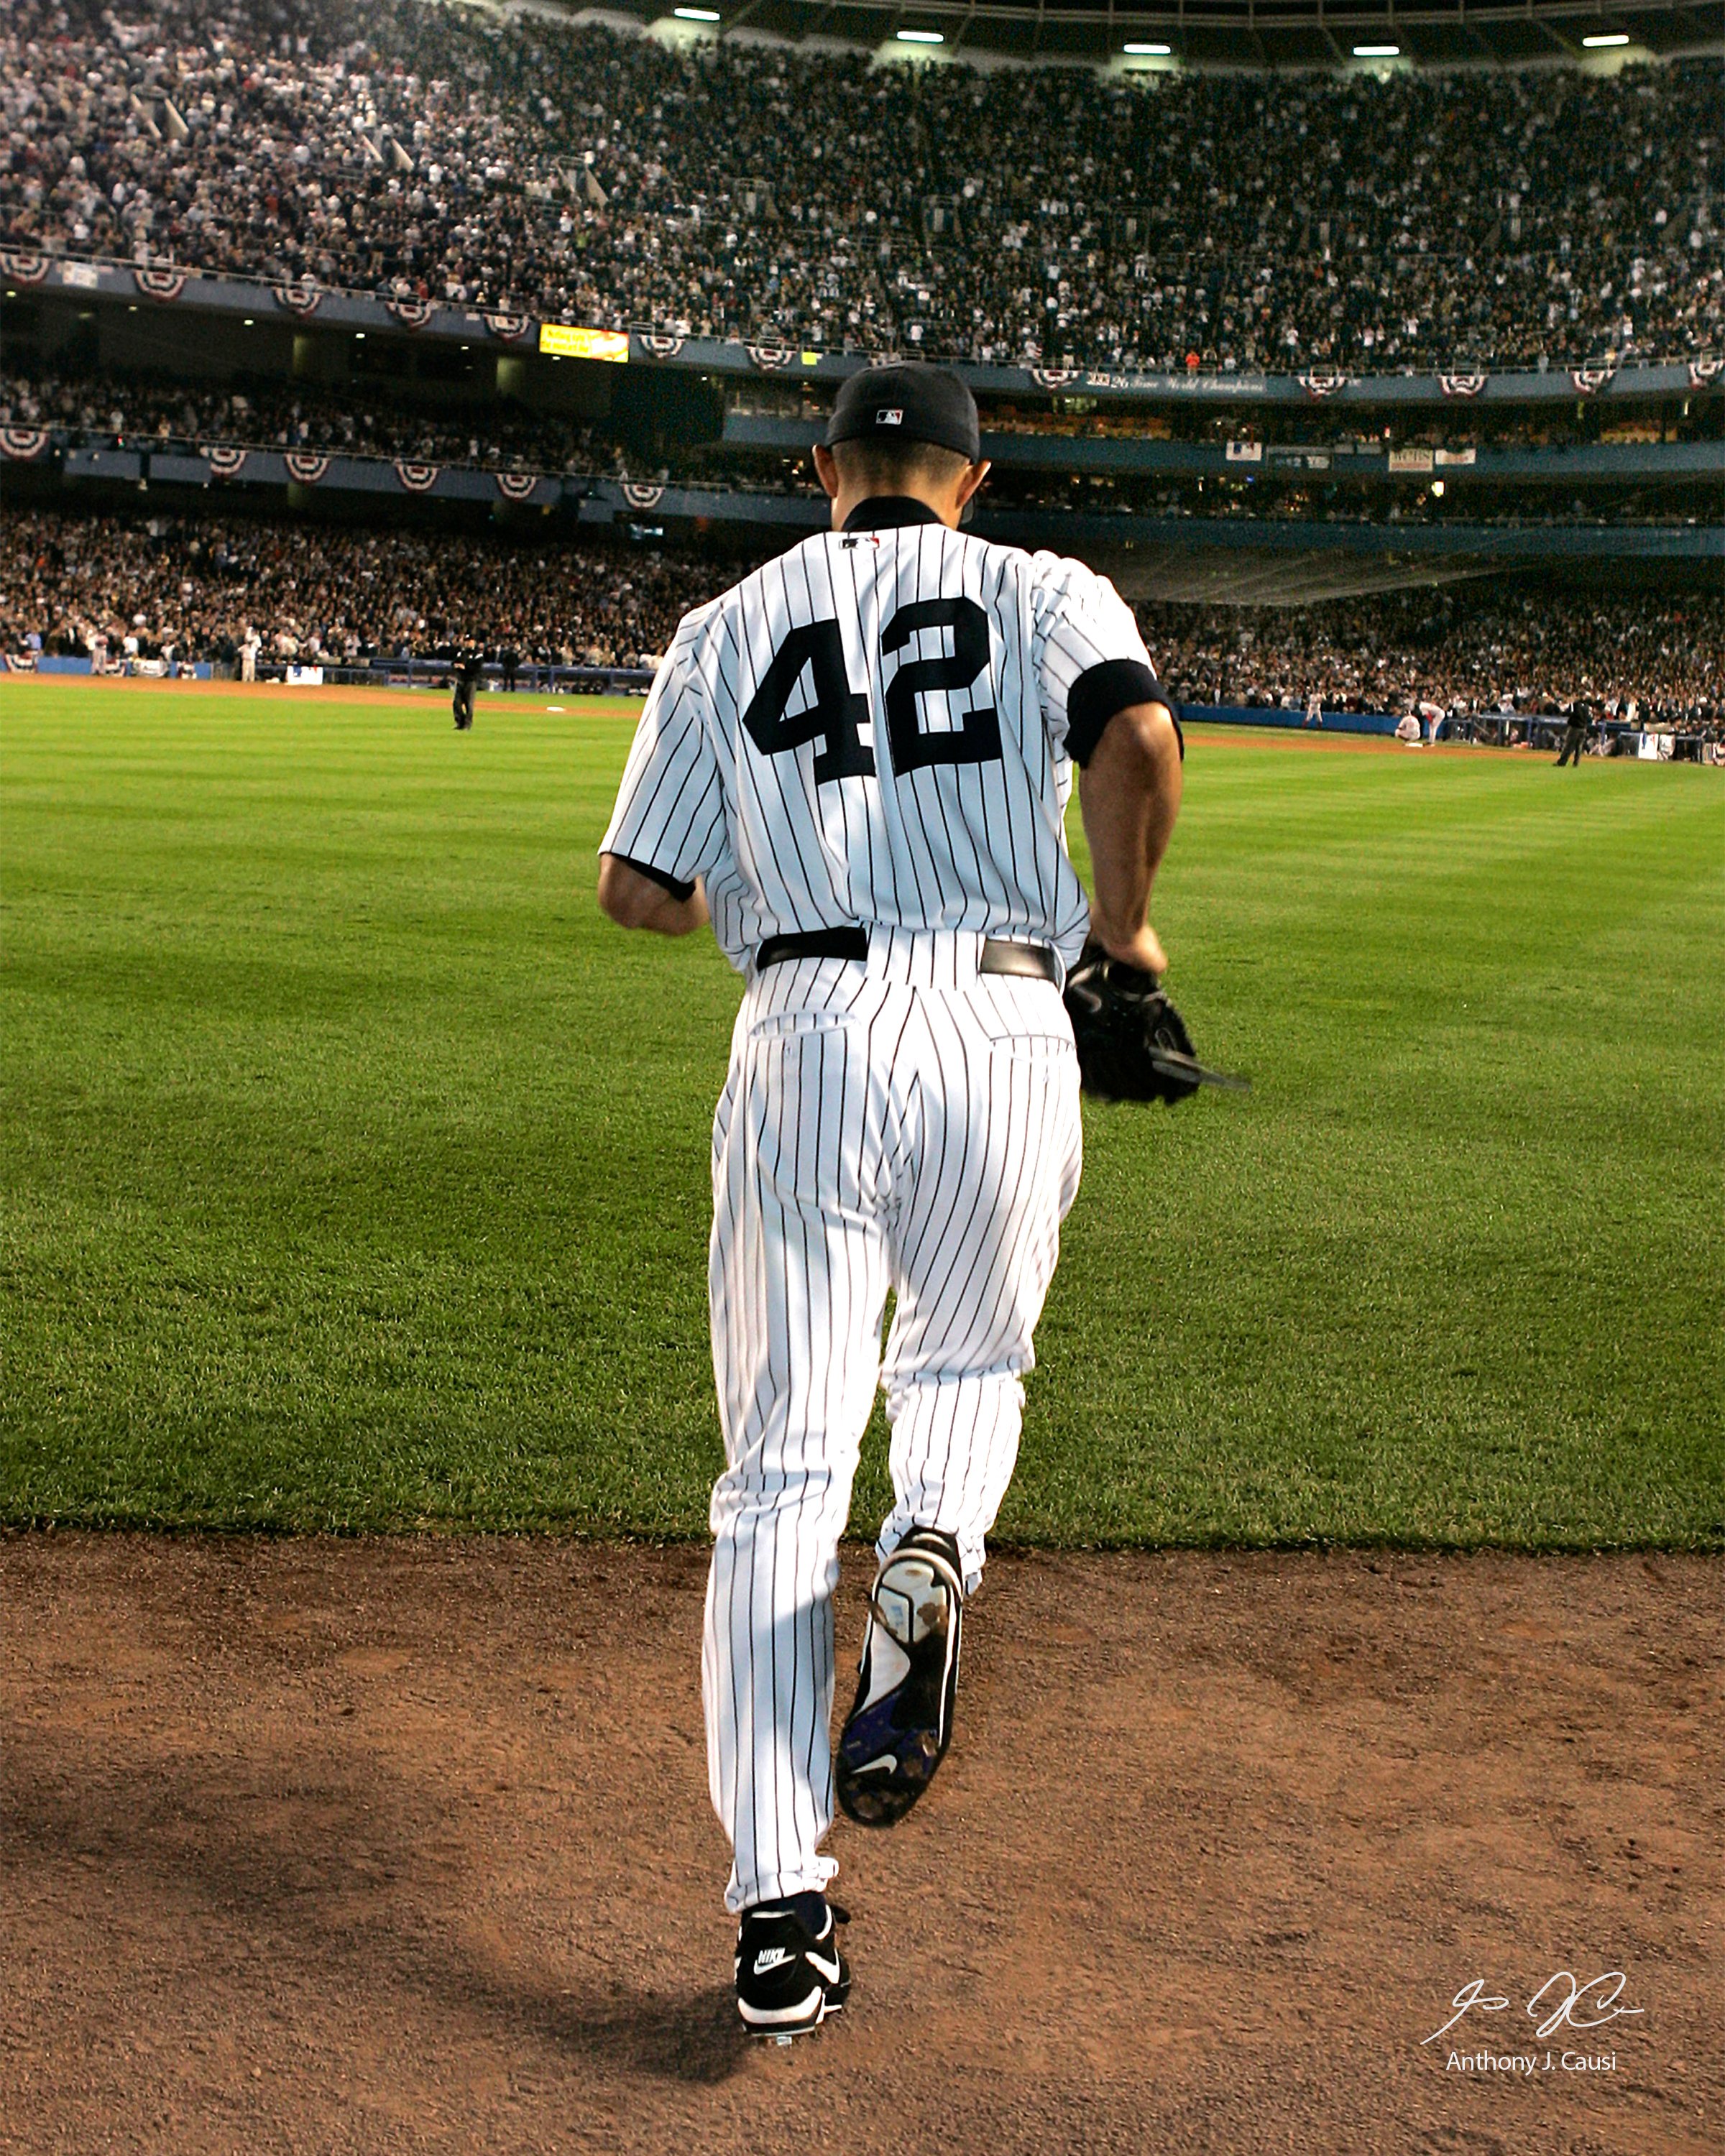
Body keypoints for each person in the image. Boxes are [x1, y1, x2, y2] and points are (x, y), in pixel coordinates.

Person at [595, 364, 1184, 2040]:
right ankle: (933, 1546)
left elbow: (634, 885)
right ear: (969, 477)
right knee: (964, 1369)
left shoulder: (727, 621)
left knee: (776, 1473)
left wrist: (775, 870)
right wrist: (1125, 937)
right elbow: (1133, 735)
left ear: (820, 468)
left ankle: (777, 1915)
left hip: (805, 1028)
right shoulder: (1039, 586)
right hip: (1007, 1012)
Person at [452, 646, 482, 729]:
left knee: (469, 704)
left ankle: (467, 724)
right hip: (461, 680)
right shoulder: (461, 653)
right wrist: (456, 666)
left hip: (471, 682)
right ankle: (460, 722)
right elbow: (453, 663)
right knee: (456, 703)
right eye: (466, 641)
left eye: (470, 641)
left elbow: (477, 669)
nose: (468, 643)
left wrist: (465, 668)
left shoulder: (478, 655)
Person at [1556, 699, 1591, 766]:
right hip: (1583, 728)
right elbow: (1589, 717)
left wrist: (1569, 719)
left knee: (1569, 745)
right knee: (1579, 746)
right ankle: (1576, 762)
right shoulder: (1587, 706)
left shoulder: (1575, 705)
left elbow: (1571, 713)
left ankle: (1562, 762)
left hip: (1575, 728)